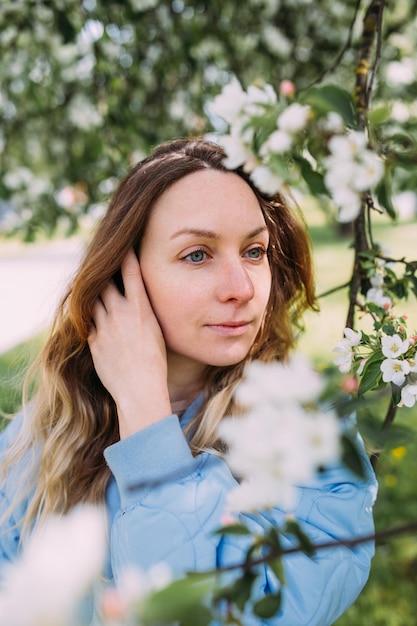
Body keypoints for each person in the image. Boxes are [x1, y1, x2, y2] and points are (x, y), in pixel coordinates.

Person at [0, 139, 376, 624]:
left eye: (254, 251)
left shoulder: (312, 436)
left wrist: (147, 422)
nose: (241, 289)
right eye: (197, 255)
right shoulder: (44, 433)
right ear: (122, 276)